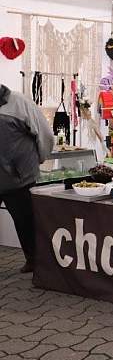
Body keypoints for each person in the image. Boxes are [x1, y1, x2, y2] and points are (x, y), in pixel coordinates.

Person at [0, 83, 55, 273]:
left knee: (25, 220)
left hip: (19, 176)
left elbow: (46, 134)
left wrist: (40, 158)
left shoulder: (19, 102)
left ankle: (34, 260)